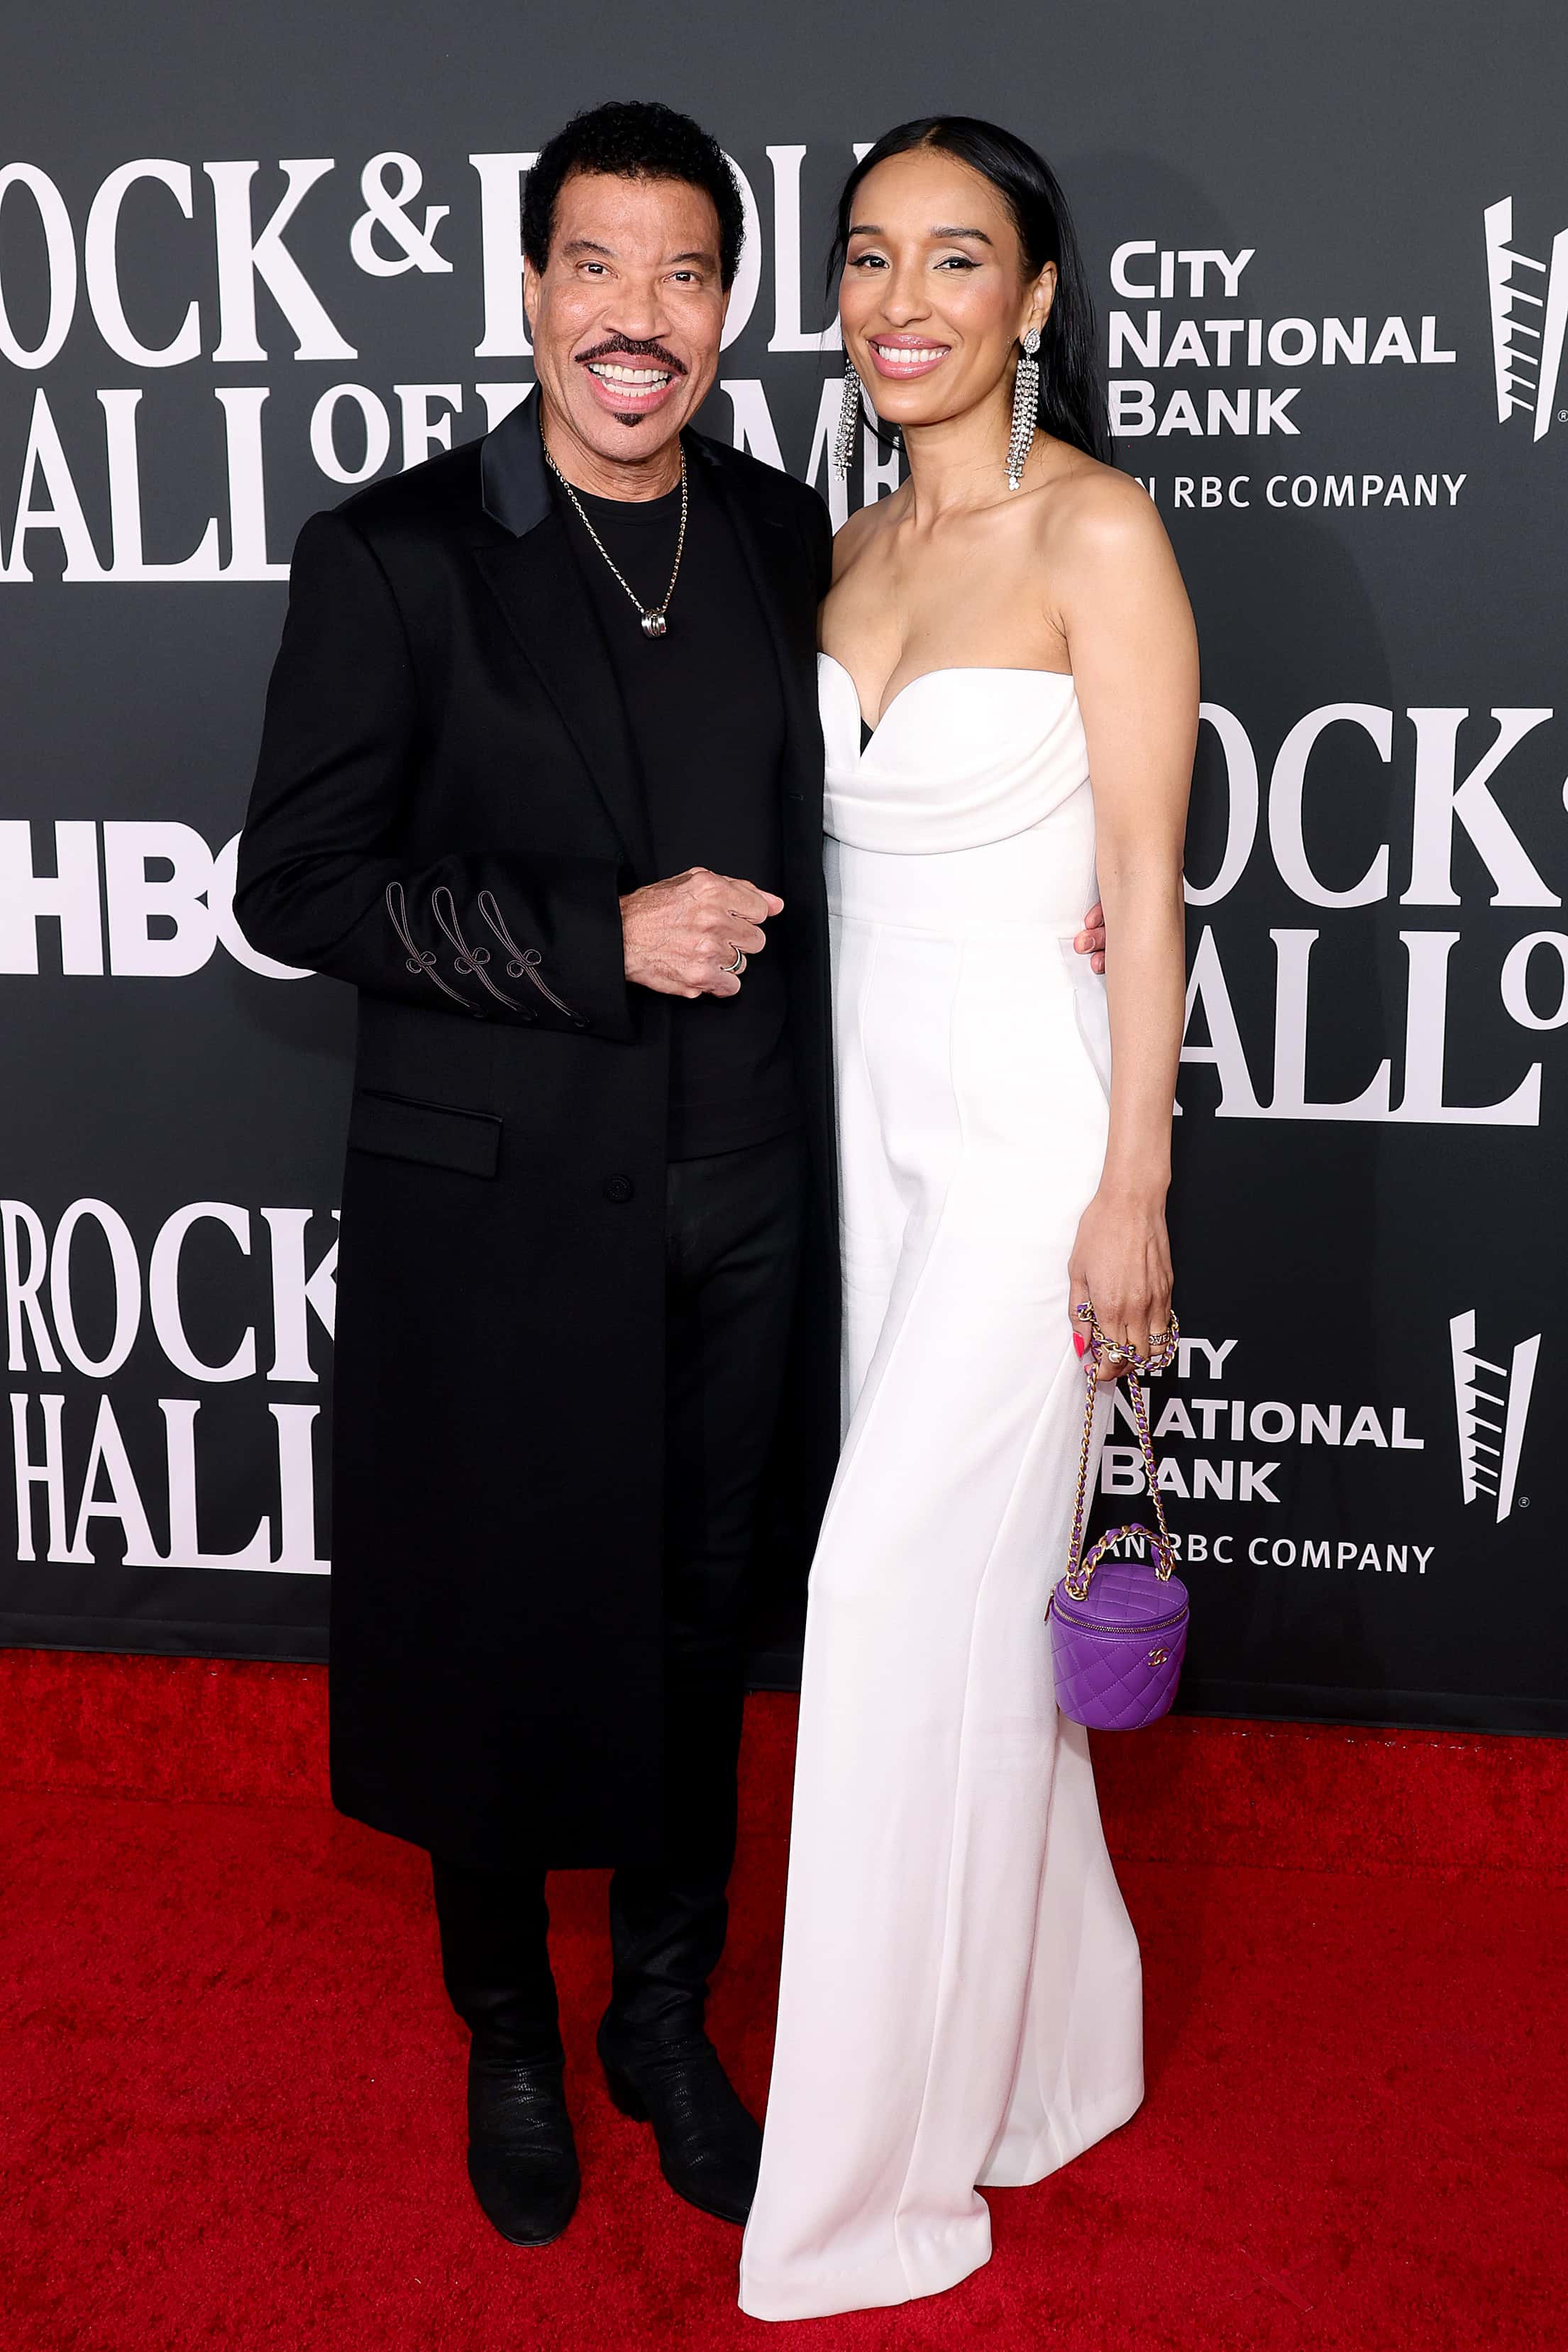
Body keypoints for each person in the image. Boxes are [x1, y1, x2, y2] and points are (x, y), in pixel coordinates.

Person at [236, 97, 1106, 2255]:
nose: (640, 320)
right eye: (596, 270)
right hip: (498, 1204)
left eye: (686, 277)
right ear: (529, 289)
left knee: (700, 1627)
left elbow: (916, 758)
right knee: (491, 1624)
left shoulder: (773, 529)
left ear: (729, 310)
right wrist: (581, 936)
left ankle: (656, 2017)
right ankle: (511, 2030)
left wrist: (1060, 898)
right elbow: (297, 881)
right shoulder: (397, 553)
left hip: (746, 1198)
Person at [739, 119, 1197, 2322]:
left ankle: (870, 2188)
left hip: (1030, 1152)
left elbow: (1142, 882)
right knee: (951, 1615)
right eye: (865, 260)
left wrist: (1135, 1184)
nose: (901, 299)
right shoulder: (832, 554)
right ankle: (1050, 2050)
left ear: (1031, 297)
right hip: (862, 1138)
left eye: (956, 260)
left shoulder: (1096, 532)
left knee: (883, 1598)